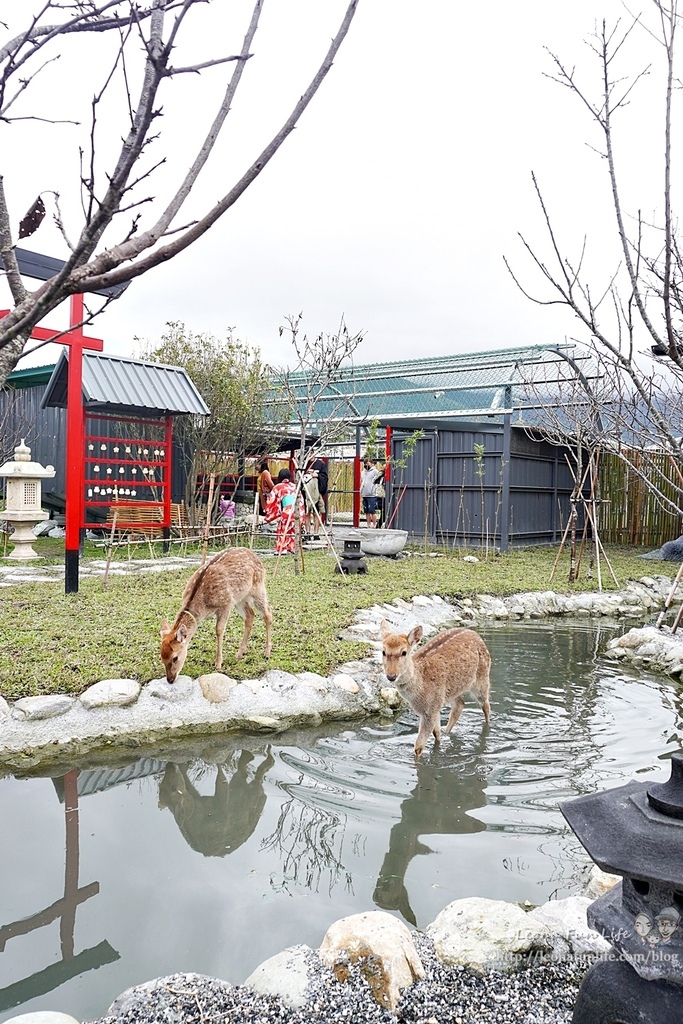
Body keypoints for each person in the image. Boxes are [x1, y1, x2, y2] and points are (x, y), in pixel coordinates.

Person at [264, 468, 303, 555]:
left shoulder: (278, 487)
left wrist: (269, 515)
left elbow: (271, 501)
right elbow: (301, 501)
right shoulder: (295, 486)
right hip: (298, 511)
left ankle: (282, 548)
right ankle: (292, 547)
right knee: (293, 529)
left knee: (282, 529)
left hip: (287, 510)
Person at [302, 454, 328, 539]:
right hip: (305, 490)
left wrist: (317, 475)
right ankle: (307, 532)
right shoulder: (304, 464)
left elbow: (325, 477)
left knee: (317, 512)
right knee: (307, 512)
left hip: (317, 490)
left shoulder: (320, 464)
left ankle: (316, 533)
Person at [360, 457, 383, 528]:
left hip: (372, 494)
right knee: (366, 511)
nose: (366, 465)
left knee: (372, 510)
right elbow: (362, 482)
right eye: (365, 463)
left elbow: (378, 481)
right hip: (364, 494)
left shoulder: (375, 471)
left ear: (372, 464)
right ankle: (368, 524)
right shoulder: (363, 472)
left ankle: (374, 524)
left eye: (368, 463)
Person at [374, 461, 386, 527]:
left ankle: (379, 525)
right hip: (380, 495)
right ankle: (378, 525)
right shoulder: (380, 477)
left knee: (384, 512)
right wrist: (380, 473)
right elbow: (374, 480)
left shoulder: (387, 477)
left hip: (385, 496)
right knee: (382, 511)